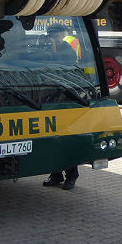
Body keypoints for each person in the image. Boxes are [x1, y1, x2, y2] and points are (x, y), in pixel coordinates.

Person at [42, 23, 80, 190]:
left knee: (66, 139)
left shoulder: (68, 50)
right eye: (51, 35)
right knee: (51, 140)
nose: (54, 38)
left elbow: (65, 67)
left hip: (65, 99)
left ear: (62, 35)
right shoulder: (45, 48)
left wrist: (54, 50)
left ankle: (71, 175)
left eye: (56, 35)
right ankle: (55, 174)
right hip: (50, 98)